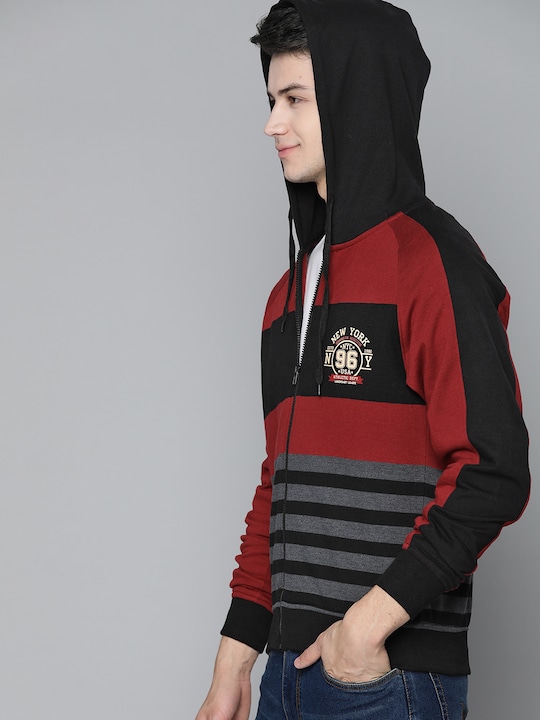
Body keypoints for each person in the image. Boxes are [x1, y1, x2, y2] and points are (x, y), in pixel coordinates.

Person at [195, 1, 530, 718]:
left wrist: (366, 629)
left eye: (294, 100)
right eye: (270, 100)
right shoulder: (287, 294)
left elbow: (493, 469)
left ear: (356, 99)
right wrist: (234, 660)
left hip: (382, 678)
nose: (272, 124)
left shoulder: (432, 262)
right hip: (285, 676)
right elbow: (280, 482)